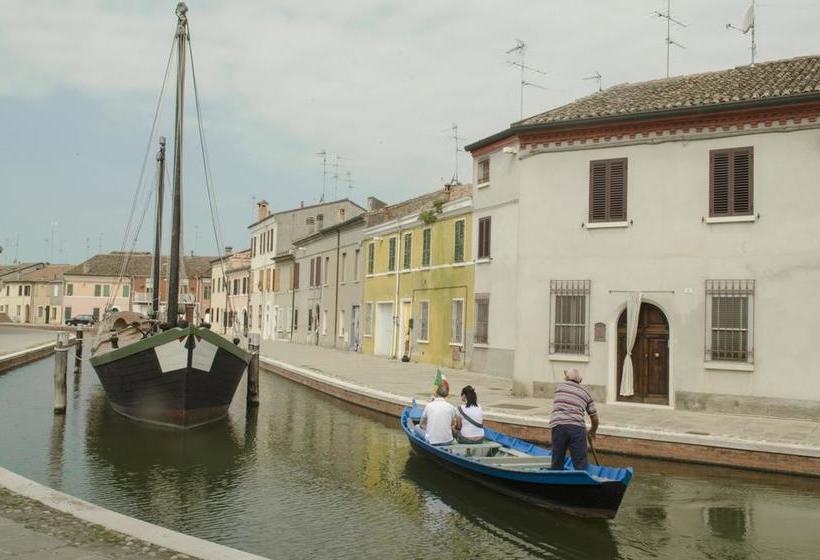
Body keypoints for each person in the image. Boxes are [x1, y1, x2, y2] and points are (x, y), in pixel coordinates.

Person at [549, 368, 599, 471]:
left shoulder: (559, 387)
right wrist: (592, 431)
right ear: (580, 381)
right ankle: (581, 480)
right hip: (577, 429)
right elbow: (595, 418)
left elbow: (566, 378)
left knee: (557, 462)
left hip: (559, 427)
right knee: (581, 465)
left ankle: (555, 477)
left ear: (566, 378)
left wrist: (566, 376)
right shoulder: (586, 393)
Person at [415, 378, 457, 445]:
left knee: (416, 427)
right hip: (448, 441)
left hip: (432, 441)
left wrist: (427, 428)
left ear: (436, 392)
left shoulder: (429, 406)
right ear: (447, 394)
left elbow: (421, 424)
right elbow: (452, 424)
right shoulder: (451, 407)